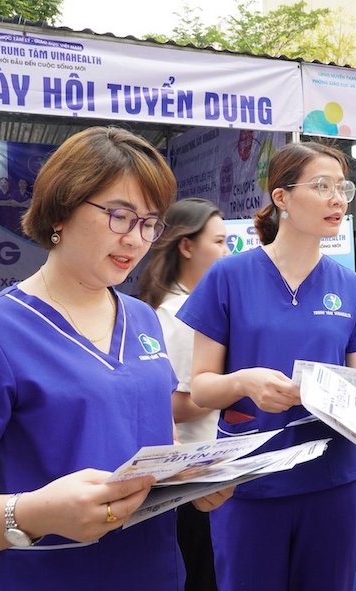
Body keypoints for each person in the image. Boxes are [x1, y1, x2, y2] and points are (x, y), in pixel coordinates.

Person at [0, 127, 232, 591]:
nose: (136, 240)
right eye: (120, 216)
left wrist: (193, 476)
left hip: (154, 572)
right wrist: (36, 512)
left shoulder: (143, 320)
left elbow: (153, 443)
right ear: (62, 209)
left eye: (149, 223)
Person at [176, 141, 356, 591]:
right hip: (249, 480)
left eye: (343, 188)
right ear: (281, 198)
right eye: (321, 186)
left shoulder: (352, 288)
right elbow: (200, 389)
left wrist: (345, 397)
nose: (337, 198)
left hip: (332, 480)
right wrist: (244, 381)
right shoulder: (228, 277)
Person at [138, 197, 229, 591]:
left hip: (208, 473)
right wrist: (237, 387)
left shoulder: (197, 306)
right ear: (186, 246)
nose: (228, 252)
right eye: (220, 241)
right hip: (194, 475)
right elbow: (171, 404)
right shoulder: (177, 313)